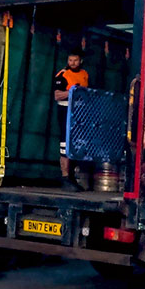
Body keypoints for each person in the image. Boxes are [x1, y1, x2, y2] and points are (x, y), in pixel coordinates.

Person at [53, 47, 90, 191]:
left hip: (80, 113)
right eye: (70, 60)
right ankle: (65, 177)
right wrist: (73, 91)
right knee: (65, 145)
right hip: (65, 112)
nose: (73, 63)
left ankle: (72, 178)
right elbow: (57, 95)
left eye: (75, 60)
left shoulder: (85, 74)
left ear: (81, 61)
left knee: (77, 144)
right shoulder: (63, 74)